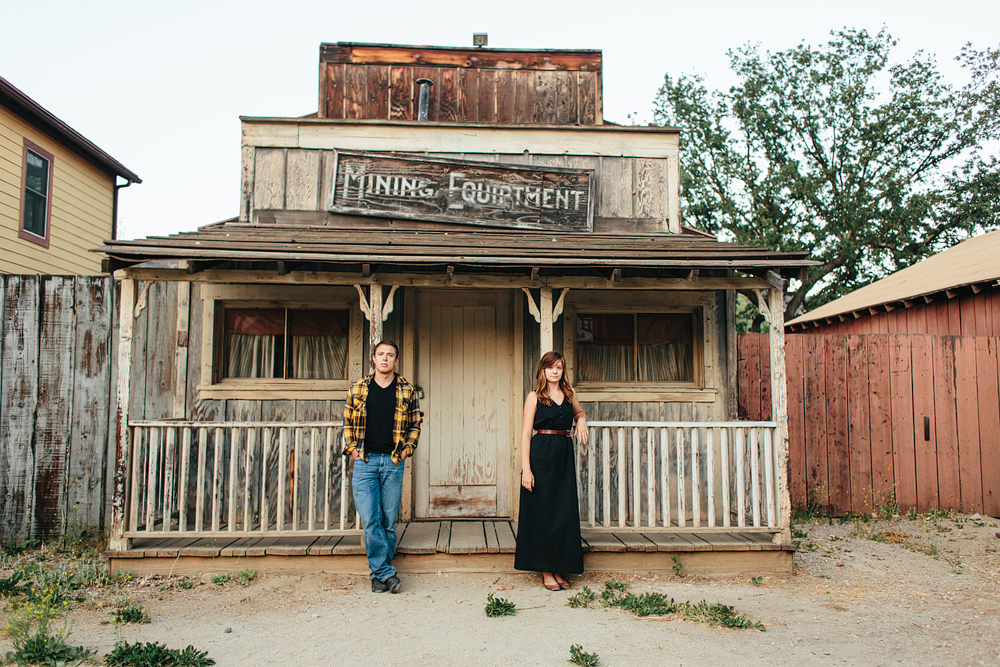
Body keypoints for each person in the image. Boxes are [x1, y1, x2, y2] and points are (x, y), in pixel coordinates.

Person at [343, 340, 422, 593]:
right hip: (365, 461)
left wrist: (407, 449)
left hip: (392, 461)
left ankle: (379, 575)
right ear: (374, 359)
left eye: (390, 355)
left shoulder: (407, 390)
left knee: (388, 521)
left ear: (396, 360)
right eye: (381, 355)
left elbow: (415, 424)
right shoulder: (358, 389)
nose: (385, 359)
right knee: (370, 519)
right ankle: (386, 573)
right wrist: (353, 448)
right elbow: (347, 422)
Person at [514, 350, 588, 590]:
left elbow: (579, 412)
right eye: (550, 367)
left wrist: (582, 421)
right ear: (543, 370)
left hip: (564, 455)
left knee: (563, 512)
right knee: (543, 512)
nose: (555, 371)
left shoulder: (569, 393)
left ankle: (559, 567)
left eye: (559, 367)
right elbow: (526, 434)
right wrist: (527, 469)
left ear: (563, 370)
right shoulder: (534, 396)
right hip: (541, 455)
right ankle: (546, 570)